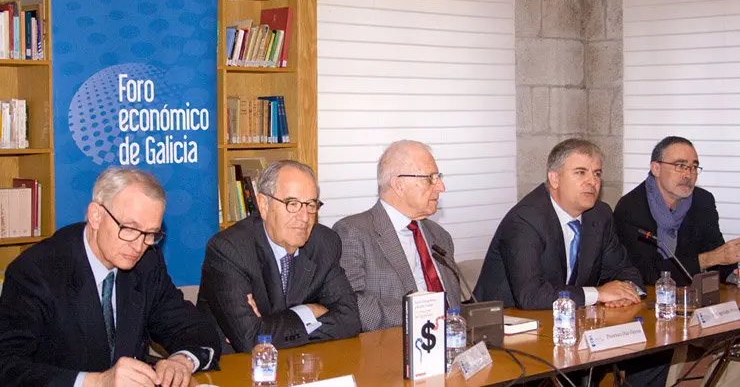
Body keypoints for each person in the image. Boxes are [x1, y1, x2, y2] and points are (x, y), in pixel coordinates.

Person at [0, 167, 219, 387]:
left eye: (150, 233)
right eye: (129, 228)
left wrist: (181, 361)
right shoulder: (36, 271)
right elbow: (8, 366)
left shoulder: (146, 263)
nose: (138, 245)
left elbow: (194, 328)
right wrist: (95, 382)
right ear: (96, 215)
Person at [197, 160, 361, 353]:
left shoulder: (324, 242)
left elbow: (350, 320)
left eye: (310, 205)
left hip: (300, 365)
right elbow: (251, 340)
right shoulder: (229, 250)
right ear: (263, 205)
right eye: (292, 204)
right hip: (236, 367)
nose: (304, 217)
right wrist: (309, 312)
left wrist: (269, 326)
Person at [474, 138, 643, 310]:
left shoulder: (599, 215)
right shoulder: (525, 220)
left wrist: (625, 293)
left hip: (564, 322)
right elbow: (530, 296)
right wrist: (598, 294)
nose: (592, 181)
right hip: (503, 323)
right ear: (554, 178)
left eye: (597, 173)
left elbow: (624, 271)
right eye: (580, 172)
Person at [333, 140, 461, 332]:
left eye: (439, 177)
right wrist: (418, 312)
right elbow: (351, 306)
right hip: (388, 351)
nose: (441, 187)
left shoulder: (440, 237)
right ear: (399, 185)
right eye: (431, 178)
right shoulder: (353, 232)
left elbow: (453, 306)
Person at [614, 136, 740, 287]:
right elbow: (644, 274)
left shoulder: (703, 201)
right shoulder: (631, 207)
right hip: (650, 300)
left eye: (694, 167)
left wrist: (733, 273)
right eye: (680, 166)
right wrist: (707, 259)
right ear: (656, 169)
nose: (688, 175)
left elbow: (716, 253)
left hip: (692, 298)